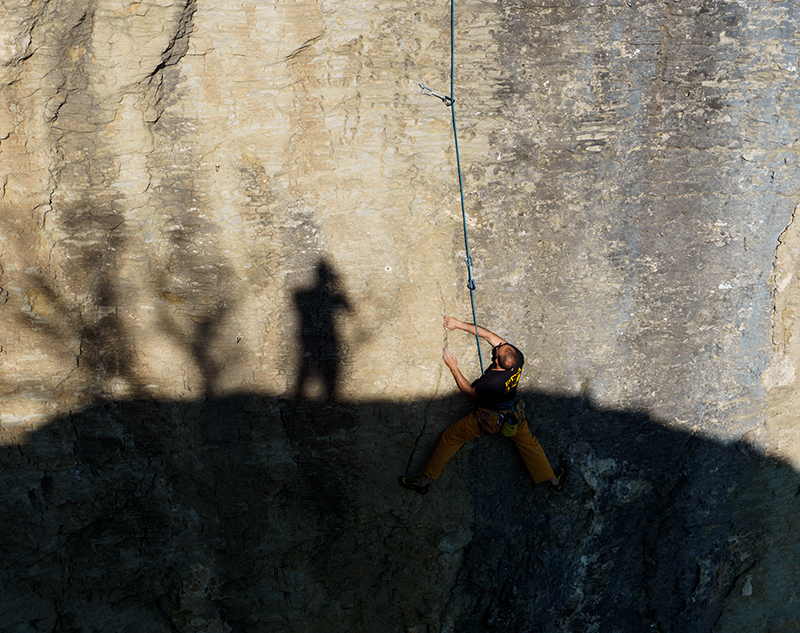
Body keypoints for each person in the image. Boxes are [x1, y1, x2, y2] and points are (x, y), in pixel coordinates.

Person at [400, 316, 564, 495]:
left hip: (489, 418)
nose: (498, 347)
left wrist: (453, 367)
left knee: (451, 437)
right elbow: (489, 336)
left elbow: (470, 394)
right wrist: (459, 324)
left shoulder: (492, 383)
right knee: (529, 443)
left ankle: (423, 482)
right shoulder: (517, 358)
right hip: (514, 414)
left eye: (498, 350)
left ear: (496, 362)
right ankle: (554, 481)